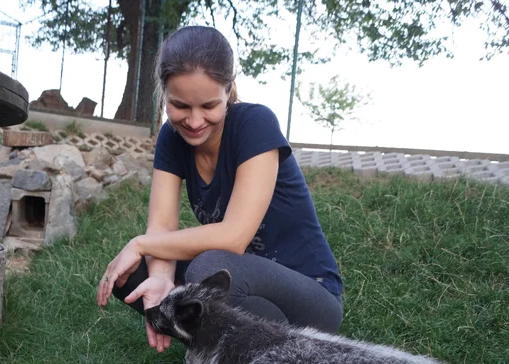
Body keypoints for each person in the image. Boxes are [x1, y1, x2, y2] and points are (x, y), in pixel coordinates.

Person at [95, 25, 344, 353]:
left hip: (310, 296)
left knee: (208, 268)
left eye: (209, 106)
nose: (194, 121)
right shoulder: (171, 138)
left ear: (229, 91)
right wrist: (161, 278)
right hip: (241, 282)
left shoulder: (255, 124)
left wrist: (141, 243)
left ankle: (286, 353)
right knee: (128, 274)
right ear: (163, 95)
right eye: (180, 106)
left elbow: (234, 237)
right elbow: (162, 227)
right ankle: (223, 349)